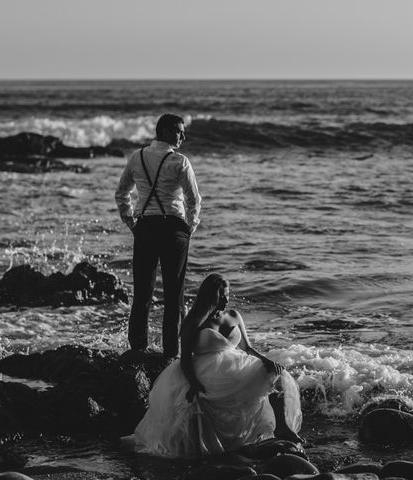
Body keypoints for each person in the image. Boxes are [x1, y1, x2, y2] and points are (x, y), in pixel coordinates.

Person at [133, 273, 303, 458]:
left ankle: (282, 427)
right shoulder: (195, 321)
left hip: (235, 363)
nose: (226, 300)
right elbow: (185, 358)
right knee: (194, 401)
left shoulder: (233, 315)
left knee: (277, 375)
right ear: (209, 296)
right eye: (221, 295)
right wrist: (193, 382)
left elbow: (247, 347)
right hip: (205, 369)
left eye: (228, 295)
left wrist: (266, 360)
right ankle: (204, 448)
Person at [114, 114, 201, 358]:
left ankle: (138, 349)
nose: (183, 136)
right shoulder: (179, 161)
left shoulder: (137, 156)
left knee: (142, 292)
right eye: (178, 131)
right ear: (163, 131)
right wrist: (190, 226)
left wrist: (130, 221)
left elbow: (121, 193)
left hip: (145, 228)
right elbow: (194, 200)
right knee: (174, 295)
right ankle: (171, 353)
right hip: (173, 229)